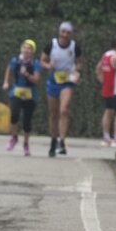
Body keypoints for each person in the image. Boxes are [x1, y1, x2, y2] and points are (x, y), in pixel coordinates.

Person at [41, 21, 81, 157]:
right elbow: (42, 60)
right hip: (54, 80)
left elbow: (79, 62)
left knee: (64, 110)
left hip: (67, 81)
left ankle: (62, 141)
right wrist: (48, 66)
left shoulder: (74, 47)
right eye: (63, 32)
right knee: (53, 113)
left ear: (71, 34)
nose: (65, 35)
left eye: (68, 33)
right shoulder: (51, 45)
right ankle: (53, 140)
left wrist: (76, 72)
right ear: (59, 32)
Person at [3, 39, 41, 155]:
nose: (26, 50)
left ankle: (26, 143)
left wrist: (26, 74)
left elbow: (36, 79)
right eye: (24, 47)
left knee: (27, 121)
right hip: (16, 91)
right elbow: (9, 69)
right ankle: (14, 137)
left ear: (32, 51)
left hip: (30, 94)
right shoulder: (16, 60)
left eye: (29, 48)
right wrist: (6, 82)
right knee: (14, 115)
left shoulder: (35, 63)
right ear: (21, 49)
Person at [97, 36, 116, 147]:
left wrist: (103, 81)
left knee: (108, 111)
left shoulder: (106, 55)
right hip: (114, 90)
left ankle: (106, 138)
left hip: (106, 88)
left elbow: (98, 69)